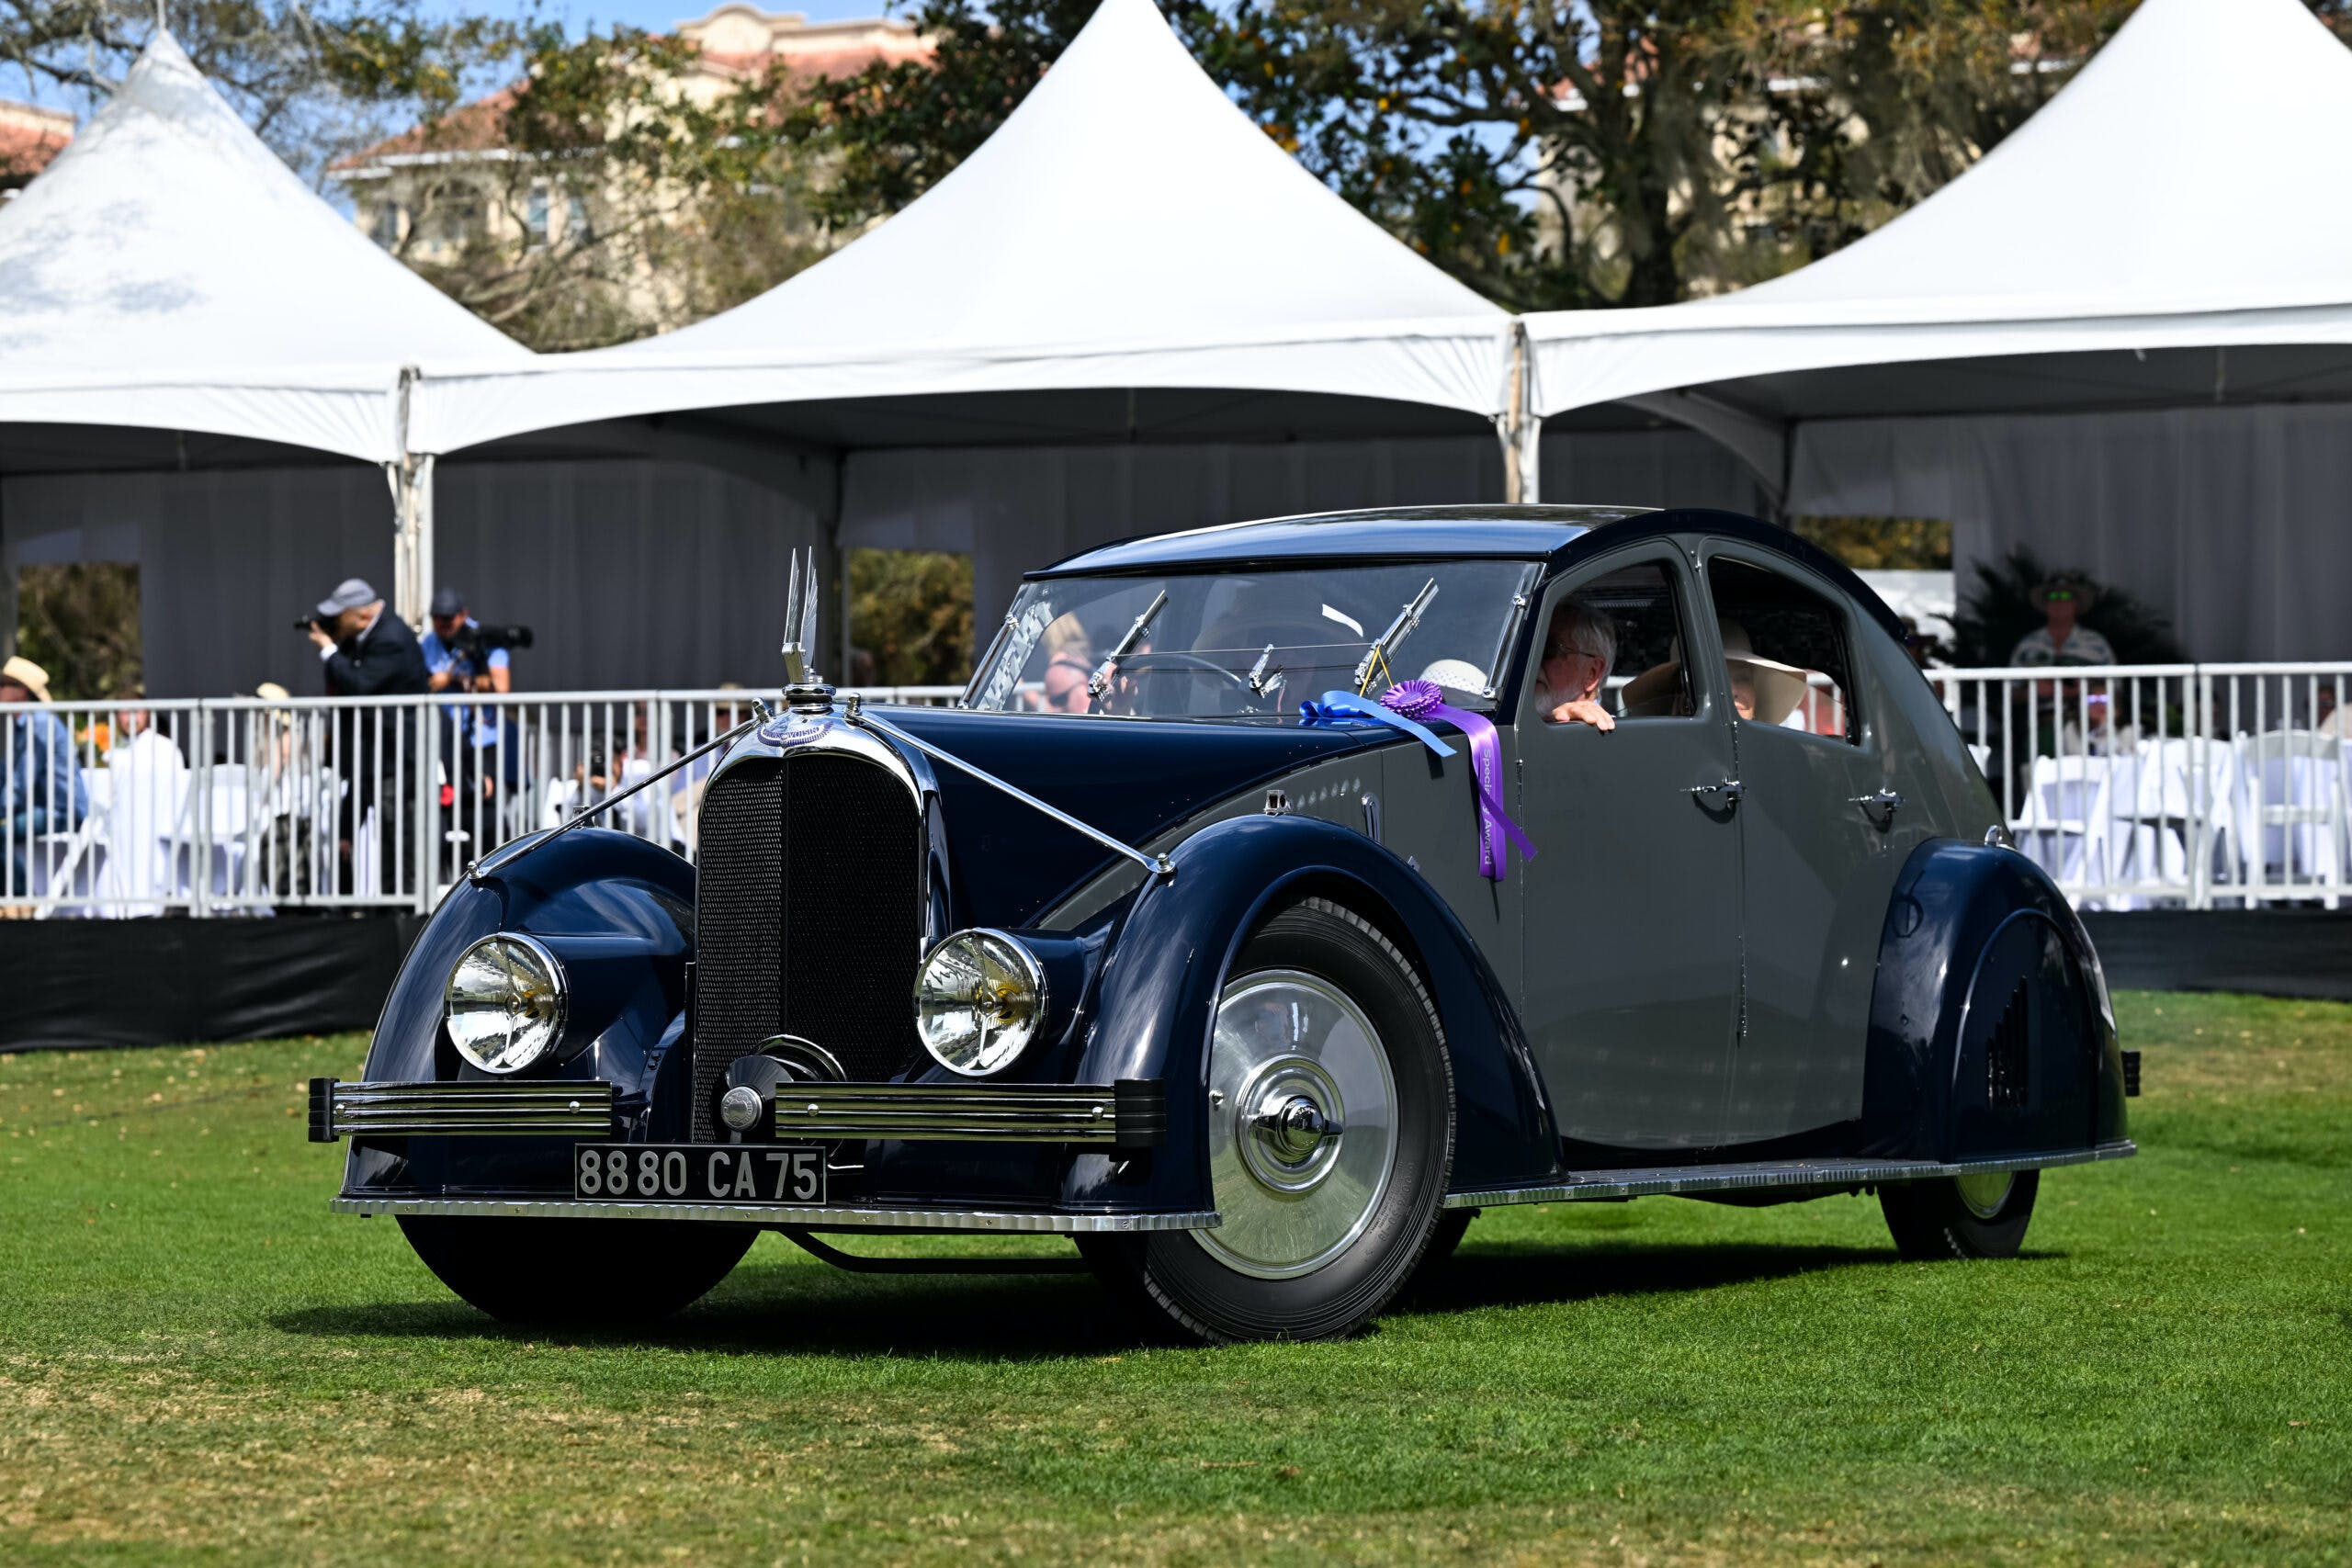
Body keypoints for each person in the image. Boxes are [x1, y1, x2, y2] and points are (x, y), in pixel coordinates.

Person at [308, 579, 428, 889]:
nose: (335, 622)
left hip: (397, 753)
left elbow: (360, 684)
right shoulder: (368, 634)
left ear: (360, 615)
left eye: (339, 615)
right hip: (376, 754)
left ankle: (405, 907)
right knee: (384, 831)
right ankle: (393, 902)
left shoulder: (390, 637)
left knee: (396, 833)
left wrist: (329, 650)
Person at [1, 655, 86, 900]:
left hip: (63, 812)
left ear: (20, 692)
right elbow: (8, 773)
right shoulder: (23, 724)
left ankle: (23, 899)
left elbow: (20, 783)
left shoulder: (40, 723)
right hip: (42, 808)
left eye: (3, 683)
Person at [1533, 596, 1617, 730]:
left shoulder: (1612, 737)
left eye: (1550, 648)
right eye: (1531, 650)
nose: (1534, 661)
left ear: (1592, 672)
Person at [2009, 570, 2115, 669]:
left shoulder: (2097, 643)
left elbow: (2115, 686)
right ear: (2046, 604)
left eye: (2066, 596)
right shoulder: (2027, 644)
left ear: (2076, 604)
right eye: (2053, 596)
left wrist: (2084, 687)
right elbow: (2012, 685)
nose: (2059, 601)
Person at [420, 587, 513, 697]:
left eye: (447, 618)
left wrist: (452, 680)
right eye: (436, 617)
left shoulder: (485, 638)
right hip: (444, 714)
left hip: (483, 713)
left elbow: (501, 687)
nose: (441, 623)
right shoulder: (429, 642)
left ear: (464, 615)